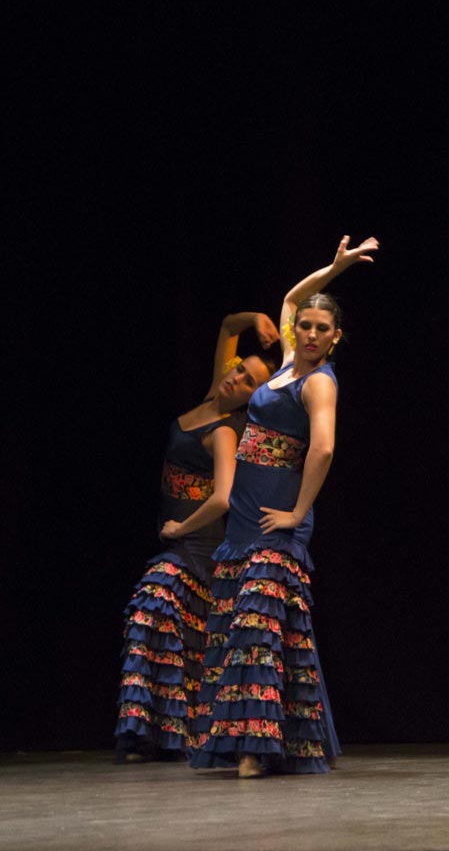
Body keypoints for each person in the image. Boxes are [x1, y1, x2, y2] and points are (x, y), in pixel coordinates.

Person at [189, 235, 379, 778]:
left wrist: (296, 514)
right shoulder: (288, 364)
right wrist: (336, 268)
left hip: (277, 518)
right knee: (264, 631)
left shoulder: (318, 383)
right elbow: (293, 297)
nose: (311, 333)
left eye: (323, 328)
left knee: (257, 627)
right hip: (245, 518)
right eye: (306, 326)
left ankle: (254, 749)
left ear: (336, 336)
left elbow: (323, 448)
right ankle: (288, 741)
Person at [114, 313, 279, 762]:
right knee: (173, 633)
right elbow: (227, 327)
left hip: (196, 546)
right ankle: (157, 736)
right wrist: (256, 318)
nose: (236, 378)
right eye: (238, 369)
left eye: (247, 381)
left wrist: (179, 529)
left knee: (150, 607)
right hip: (177, 543)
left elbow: (223, 497)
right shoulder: (213, 394)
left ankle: (158, 733)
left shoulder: (224, 431)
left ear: (252, 399)